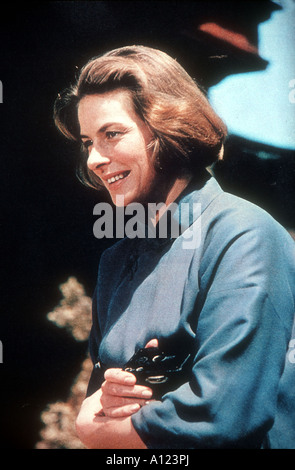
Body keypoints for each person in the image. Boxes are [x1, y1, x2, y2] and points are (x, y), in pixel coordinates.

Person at [54, 45, 295, 449]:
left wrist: (95, 429)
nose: (95, 158)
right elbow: (99, 400)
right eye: (87, 142)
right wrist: (102, 412)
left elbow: (222, 416)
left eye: (112, 134)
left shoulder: (244, 236)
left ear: (167, 128)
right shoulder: (117, 260)